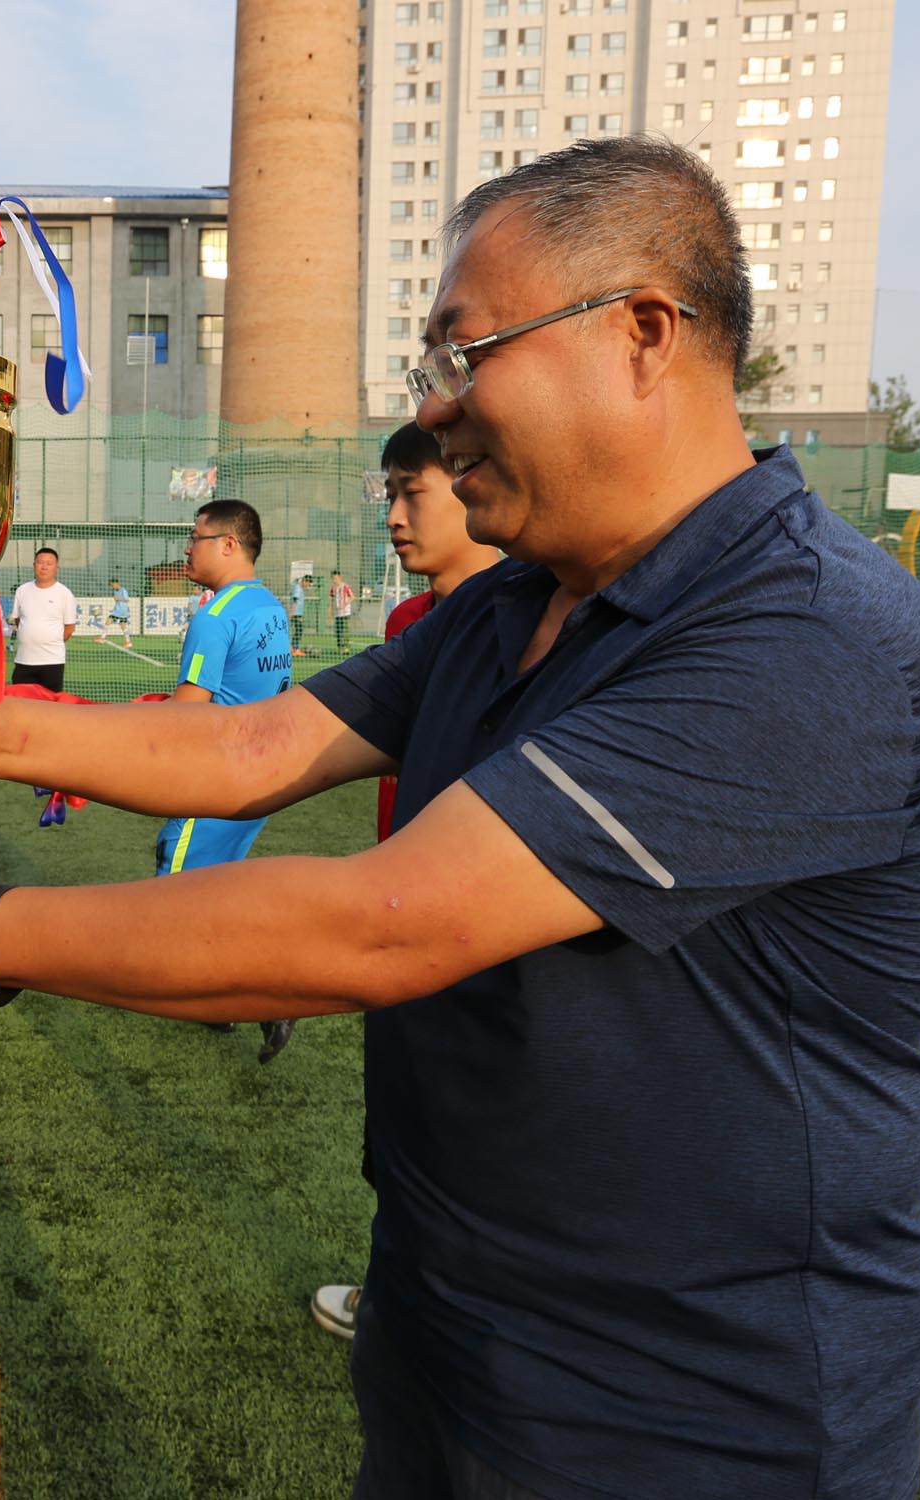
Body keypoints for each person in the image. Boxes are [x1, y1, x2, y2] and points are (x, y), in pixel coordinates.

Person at [0, 135, 920, 1500]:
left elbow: (386, 925)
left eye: (465, 355)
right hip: (454, 1311)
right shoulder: (512, 601)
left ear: (644, 333)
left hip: (698, 1399)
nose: (437, 410)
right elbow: (259, 745)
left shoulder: (806, 634)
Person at [311, 419, 506, 1342]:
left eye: (411, 492)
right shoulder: (407, 627)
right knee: (397, 1128)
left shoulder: (536, 627)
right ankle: (395, 1293)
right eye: (387, 493)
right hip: (401, 910)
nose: (393, 515)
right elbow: (272, 744)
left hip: (480, 923)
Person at [156, 501, 294, 1061]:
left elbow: (188, 713)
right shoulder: (271, 607)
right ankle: (218, 1001)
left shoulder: (216, 615)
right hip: (262, 777)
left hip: (215, 779)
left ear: (229, 544)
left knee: (173, 895)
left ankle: (270, 991)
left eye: (196, 537)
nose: (188, 548)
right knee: (212, 886)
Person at [8, 546, 77, 693]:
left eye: (49, 563)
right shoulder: (22, 590)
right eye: (40, 562)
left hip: (52, 661)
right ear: (34, 565)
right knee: (21, 701)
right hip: (24, 660)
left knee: (50, 703)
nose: (44, 567)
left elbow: (69, 628)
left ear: (56, 568)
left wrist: (49, 641)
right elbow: (19, 621)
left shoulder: (64, 593)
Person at [99, 577, 133, 647]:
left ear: (116, 583)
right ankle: (128, 642)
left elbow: (127, 600)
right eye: (111, 585)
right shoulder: (115, 591)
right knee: (123, 626)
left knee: (108, 621)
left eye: (112, 585)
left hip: (121, 610)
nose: (112, 586)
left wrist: (118, 599)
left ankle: (102, 637)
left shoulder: (123, 590)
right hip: (118, 610)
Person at [326, 568, 354, 652]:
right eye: (333, 578)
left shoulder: (345, 586)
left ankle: (346, 647)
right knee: (338, 631)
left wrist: (344, 604)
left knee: (344, 630)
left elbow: (352, 597)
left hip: (345, 612)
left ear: (340, 577)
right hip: (337, 613)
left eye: (335, 578)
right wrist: (329, 610)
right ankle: (340, 648)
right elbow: (331, 599)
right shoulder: (333, 588)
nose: (334, 580)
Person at [289, 574, 308, 652]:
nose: (307, 586)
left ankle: (294, 648)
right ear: (304, 581)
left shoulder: (300, 588)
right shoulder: (298, 588)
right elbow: (295, 600)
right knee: (298, 630)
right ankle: (295, 648)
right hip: (295, 613)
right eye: (308, 584)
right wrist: (292, 612)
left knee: (298, 630)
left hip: (298, 613)